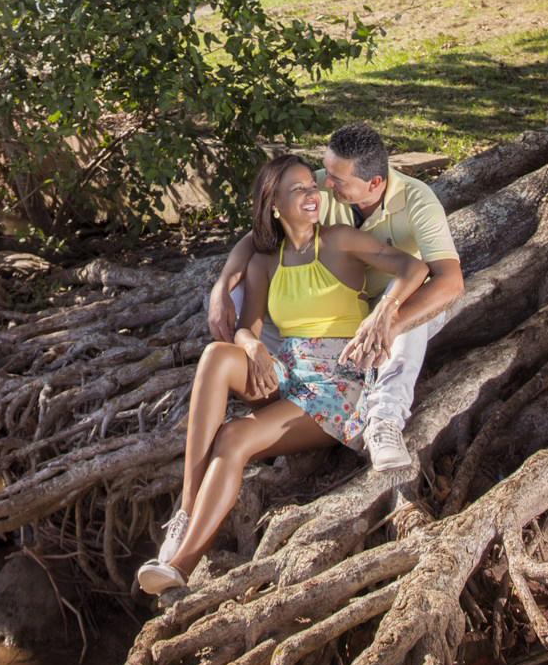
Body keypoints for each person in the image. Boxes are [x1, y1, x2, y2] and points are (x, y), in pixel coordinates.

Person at [137, 154, 429, 596]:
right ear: (274, 205)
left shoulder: (340, 240)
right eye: (298, 191)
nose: (312, 196)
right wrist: (251, 344)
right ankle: (185, 510)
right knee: (218, 355)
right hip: (289, 374)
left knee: (233, 438)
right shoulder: (264, 263)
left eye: (311, 189)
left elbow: (415, 268)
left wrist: (385, 312)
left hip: (337, 387)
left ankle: (180, 564)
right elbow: (247, 326)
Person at [207, 122, 463, 470]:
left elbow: (449, 282)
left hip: (396, 298)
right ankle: (282, 399)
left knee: (410, 323)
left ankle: (383, 421)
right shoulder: (323, 188)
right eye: (326, 173)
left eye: (336, 180)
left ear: (373, 183)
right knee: (241, 298)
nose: (325, 184)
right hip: (338, 306)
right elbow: (259, 236)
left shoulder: (418, 201)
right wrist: (222, 286)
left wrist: (387, 317)